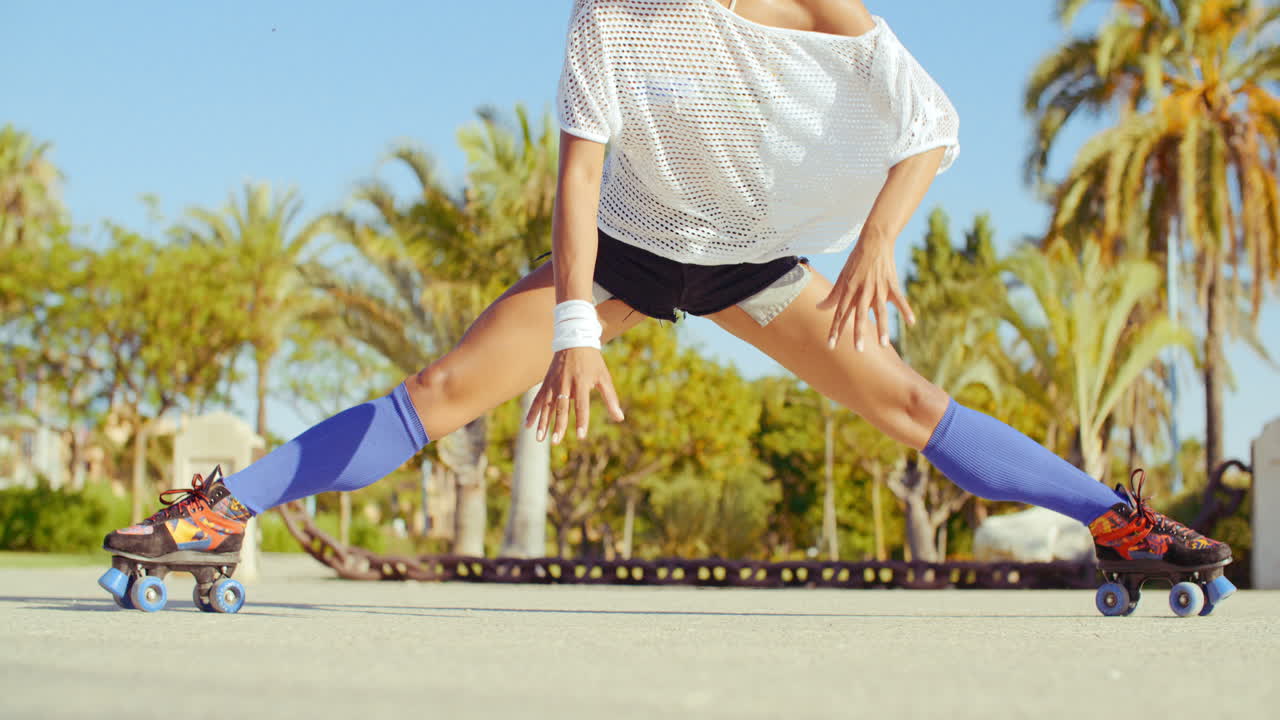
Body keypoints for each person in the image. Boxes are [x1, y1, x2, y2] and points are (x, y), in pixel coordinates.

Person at [105, 0, 1229, 590]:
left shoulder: (810, 3)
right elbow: (578, 176)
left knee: (905, 405)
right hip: (632, 242)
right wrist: (574, 329)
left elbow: (927, 124)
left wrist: (879, 240)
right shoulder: (605, 14)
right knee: (442, 386)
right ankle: (221, 513)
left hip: (754, 252)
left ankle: (1115, 524)